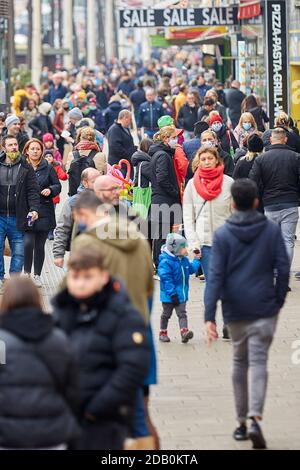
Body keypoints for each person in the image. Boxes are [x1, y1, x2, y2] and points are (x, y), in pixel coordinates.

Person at [204, 179, 290, 449]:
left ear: (232, 203)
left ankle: (240, 422)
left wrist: (210, 316)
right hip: (265, 307)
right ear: (256, 202)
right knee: (260, 362)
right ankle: (255, 417)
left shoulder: (223, 235)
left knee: (239, 363)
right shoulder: (270, 230)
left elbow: (215, 277)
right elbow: (283, 268)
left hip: (235, 309)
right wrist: (277, 300)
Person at [52, 245, 150, 450]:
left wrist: (95, 409)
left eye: (88, 277)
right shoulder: (62, 312)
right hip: (67, 418)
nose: (80, 283)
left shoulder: (124, 314)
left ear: (103, 277)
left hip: (105, 420)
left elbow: (133, 368)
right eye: (75, 276)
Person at [0, 276, 80, 449]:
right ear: (38, 300)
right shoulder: (58, 339)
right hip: (52, 434)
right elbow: (72, 390)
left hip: (8, 435)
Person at [71, 191, 154, 323]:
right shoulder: (140, 240)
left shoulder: (84, 243)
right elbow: (149, 286)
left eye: (76, 218)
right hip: (135, 321)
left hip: (101, 323)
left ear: (83, 213)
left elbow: (74, 288)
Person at [183, 146, 232, 338]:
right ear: (198, 162)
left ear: (217, 160)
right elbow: (188, 217)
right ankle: (210, 323)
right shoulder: (192, 185)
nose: (206, 162)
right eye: (202, 159)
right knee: (212, 284)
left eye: (209, 159)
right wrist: (193, 243)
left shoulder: (228, 183)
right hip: (204, 243)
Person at [250, 127, 300, 269]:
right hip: (290, 203)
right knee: (287, 241)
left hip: (270, 205)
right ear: (285, 139)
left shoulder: (261, 159)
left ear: (271, 140)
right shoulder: (296, 157)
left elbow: (252, 181)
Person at [0, 135, 40, 290]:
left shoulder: (25, 166)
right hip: (0, 217)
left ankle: (14, 281)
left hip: (19, 216)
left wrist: (34, 209)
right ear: (4, 147)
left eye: (15, 144)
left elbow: (33, 191)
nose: (14, 147)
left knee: (19, 251)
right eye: (10, 145)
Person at [23, 139, 61, 287]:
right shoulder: (22, 166)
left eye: (38, 149)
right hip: (27, 210)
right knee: (27, 242)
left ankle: (37, 275)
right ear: (26, 150)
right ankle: (26, 273)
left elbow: (57, 185)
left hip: (44, 209)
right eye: (32, 149)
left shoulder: (48, 167)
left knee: (40, 245)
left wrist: (50, 190)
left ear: (41, 151)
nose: (35, 151)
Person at [53, 168, 100, 268]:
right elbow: (62, 228)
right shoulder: (73, 202)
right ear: (85, 183)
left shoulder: (106, 199)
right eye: (94, 182)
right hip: (79, 253)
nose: (98, 185)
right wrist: (58, 254)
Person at [148, 126, 181, 270]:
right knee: (162, 235)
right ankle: (160, 265)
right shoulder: (162, 155)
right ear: (166, 138)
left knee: (162, 233)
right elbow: (162, 178)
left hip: (162, 199)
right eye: (174, 137)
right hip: (164, 200)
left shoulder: (162, 153)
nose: (176, 140)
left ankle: (160, 264)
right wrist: (175, 192)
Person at [158, 233, 200, 343]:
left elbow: (191, 269)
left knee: (182, 313)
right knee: (166, 314)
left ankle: (184, 332)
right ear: (175, 249)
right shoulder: (165, 262)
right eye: (183, 247)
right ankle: (163, 332)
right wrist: (172, 294)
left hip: (181, 294)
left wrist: (196, 260)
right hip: (169, 296)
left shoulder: (184, 260)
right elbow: (166, 279)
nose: (186, 249)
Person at [67, 126, 106, 196]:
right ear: (94, 139)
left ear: (79, 139)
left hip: (75, 196)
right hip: (94, 196)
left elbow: (68, 176)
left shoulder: (71, 155)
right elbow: (103, 176)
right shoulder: (100, 155)